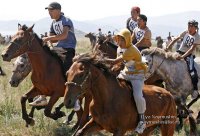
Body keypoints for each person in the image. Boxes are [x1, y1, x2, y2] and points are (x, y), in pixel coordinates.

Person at [29, 2, 78, 107]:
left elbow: (64, 35)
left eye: (51, 10)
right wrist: (50, 44)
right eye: (48, 11)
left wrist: (48, 38)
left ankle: (73, 94)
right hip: (58, 48)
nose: (49, 13)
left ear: (58, 10)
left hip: (68, 49)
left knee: (67, 69)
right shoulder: (53, 23)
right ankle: (42, 96)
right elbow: (52, 37)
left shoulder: (66, 20)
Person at [105, 28, 147, 134]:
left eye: (122, 40)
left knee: (137, 96)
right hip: (126, 73)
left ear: (128, 40)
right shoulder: (119, 48)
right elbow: (118, 64)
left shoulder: (131, 50)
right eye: (118, 40)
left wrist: (99, 59)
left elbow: (115, 61)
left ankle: (142, 120)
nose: (119, 42)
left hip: (137, 75)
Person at [165, 19, 200, 99]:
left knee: (192, 70)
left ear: (195, 28)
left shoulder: (197, 37)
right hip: (179, 52)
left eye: (191, 26)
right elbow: (176, 39)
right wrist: (168, 47)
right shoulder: (185, 32)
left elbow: (191, 49)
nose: (189, 28)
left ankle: (194, 89)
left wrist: (182, 57)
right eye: (188, 26)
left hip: (189, 55)